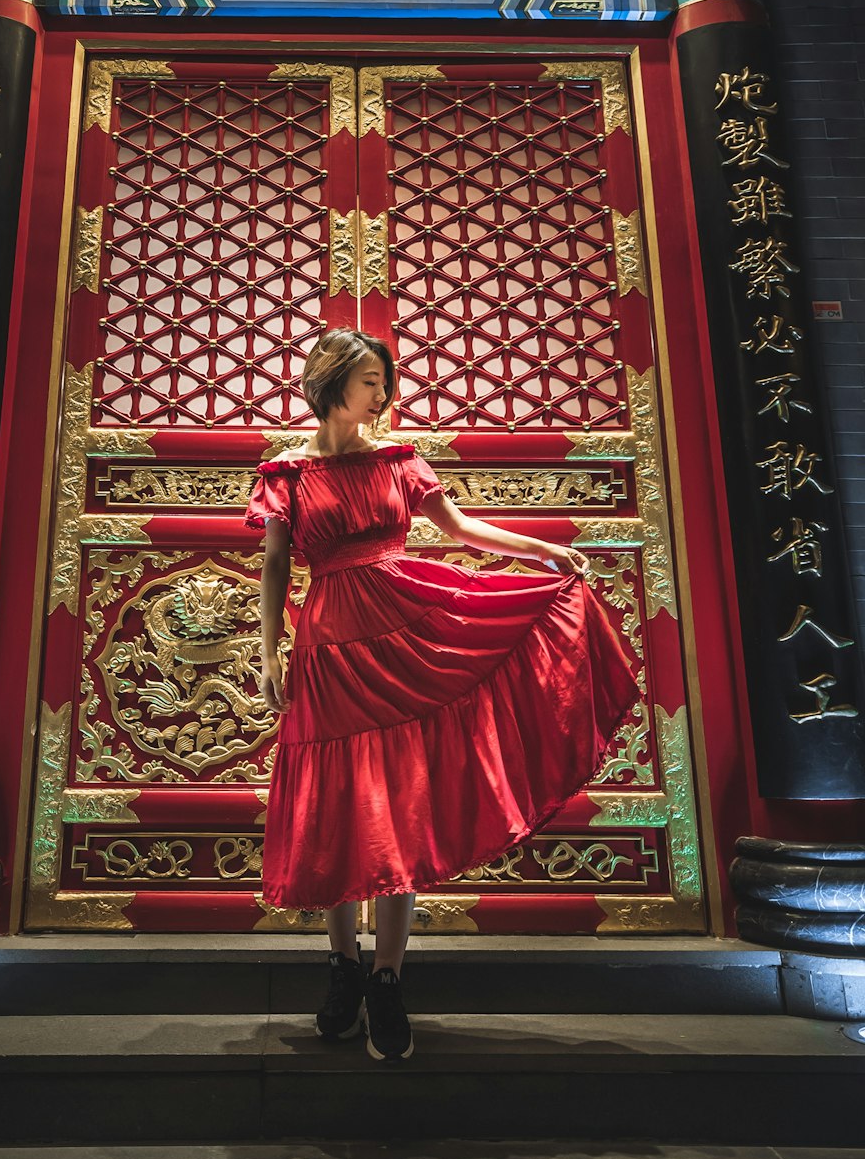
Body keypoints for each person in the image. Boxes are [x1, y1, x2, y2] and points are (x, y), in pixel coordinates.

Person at [243, 327, 639, 1064]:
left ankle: (388, 979)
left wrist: (544, 547)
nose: (383, 395)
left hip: (405, 629)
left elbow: (456, 527)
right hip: (329, 646)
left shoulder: (398, 459)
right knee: (339, 806)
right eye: (371, 381)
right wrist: (268, 652)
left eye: (384, 383)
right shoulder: (285, 473)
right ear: (332, 384)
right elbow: (273, 566)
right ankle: (343, 973)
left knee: (397, 808)